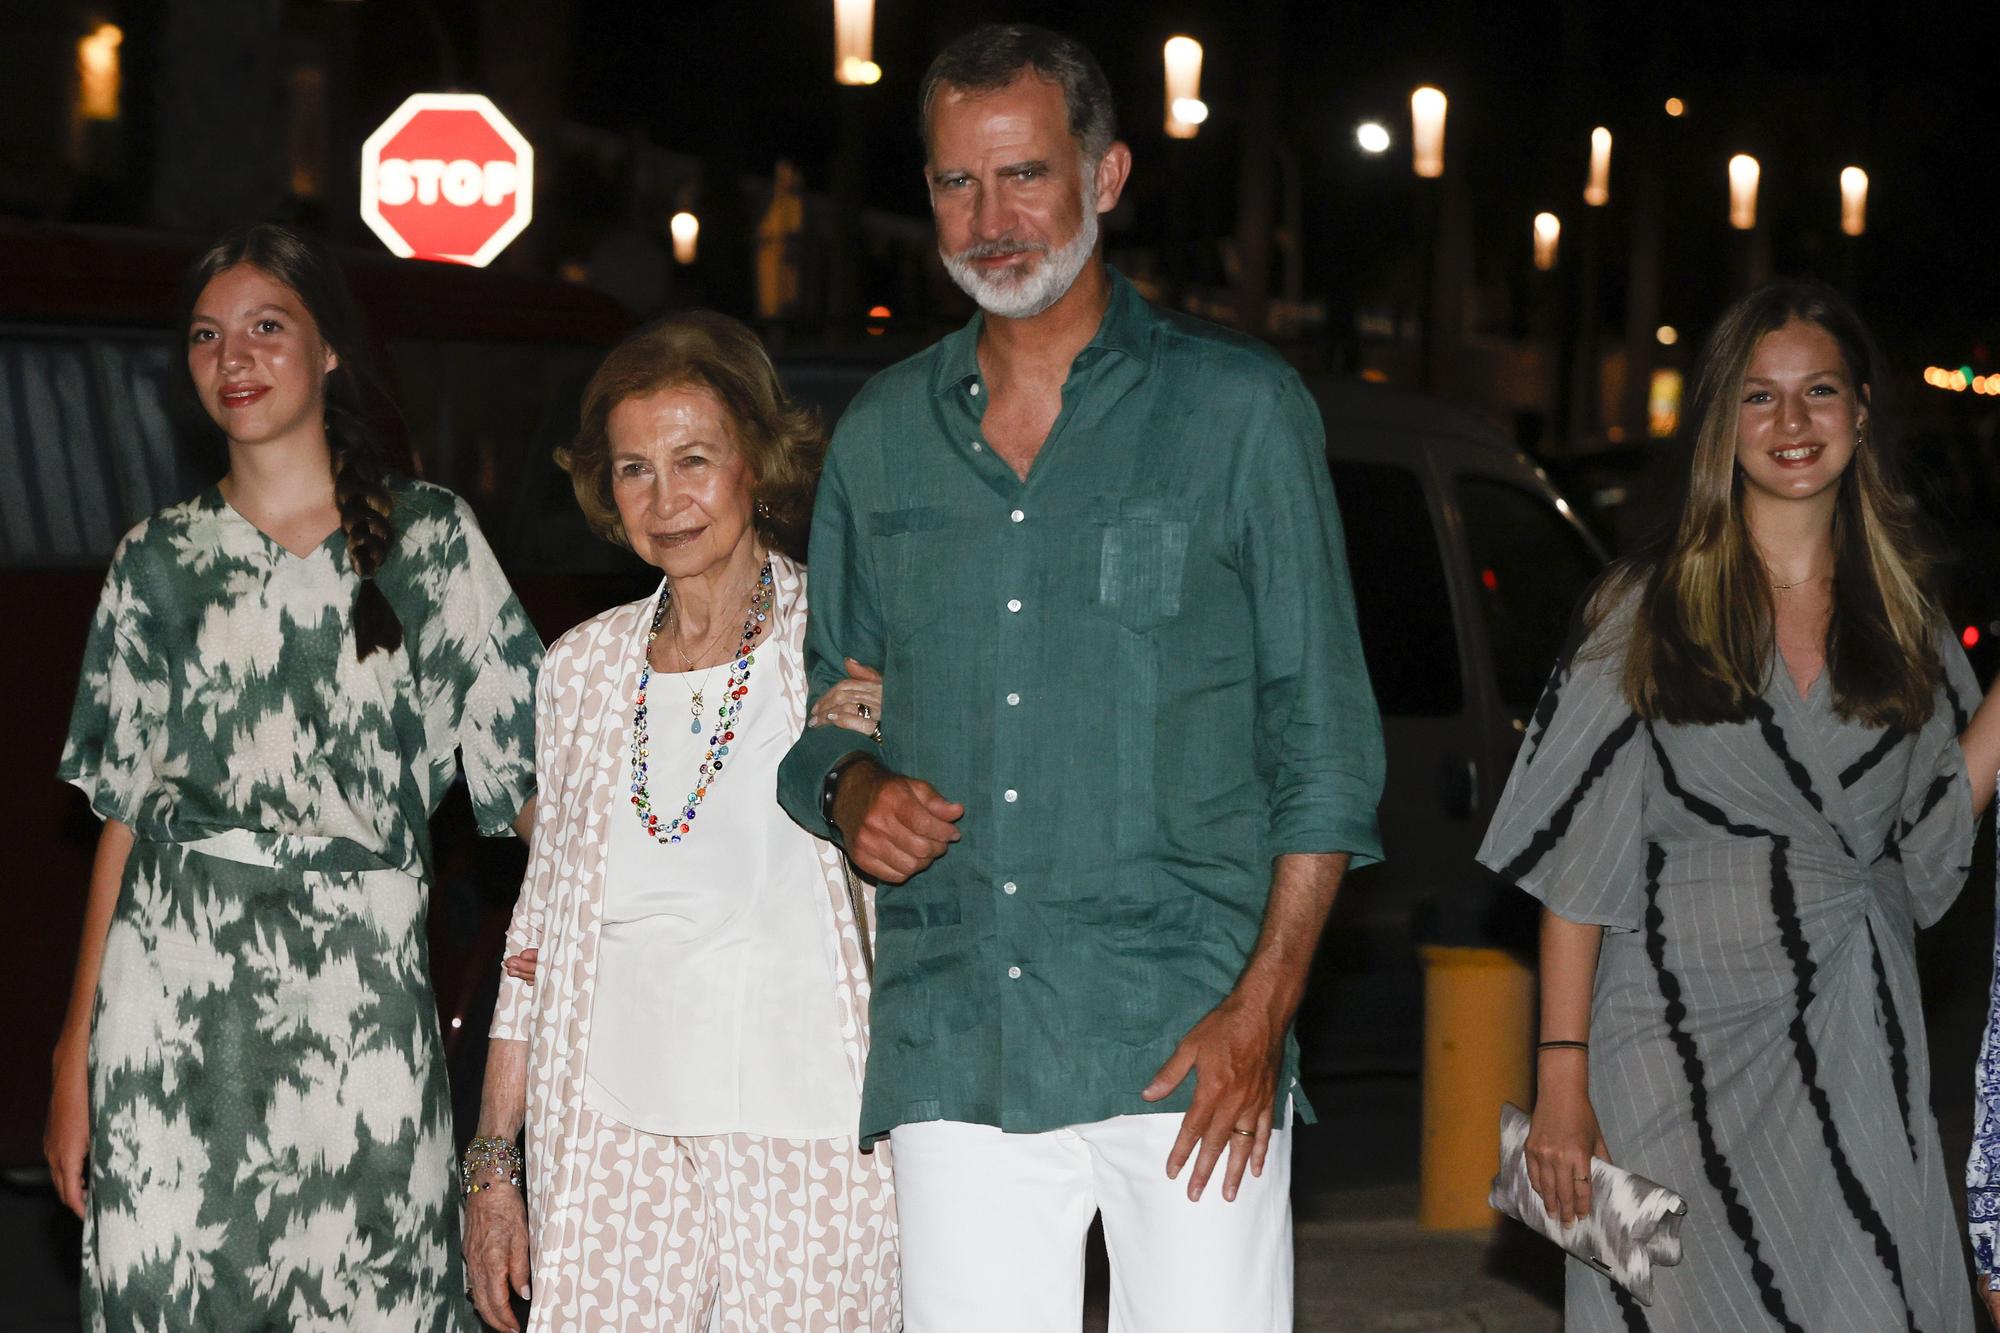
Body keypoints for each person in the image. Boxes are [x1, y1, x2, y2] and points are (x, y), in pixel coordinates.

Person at [774, 23, 1384, 1333]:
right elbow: (835, 709)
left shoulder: (1239, 413)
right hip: (961, 1035)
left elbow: (1324, 743)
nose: (990, 220)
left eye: (1026, 175)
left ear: (1105, 178)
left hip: (1189, 1035)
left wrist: (1264, 1010)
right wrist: (853, 786)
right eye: (955, 183)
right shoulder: (883, 438)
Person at [44, 223, 541, 1330]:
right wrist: (76, 1043)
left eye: (268, 328)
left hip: (360, 1006)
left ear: (327, 353)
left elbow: (537, 790)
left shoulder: (431, 541)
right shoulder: (155, 560)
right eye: (208, 337)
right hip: (168, 1006)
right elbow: (120, 816)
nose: (235, 358)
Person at [1482, 278, 2000, 1331]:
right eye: (1758, 399)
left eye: (1815, 392)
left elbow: (1930, 827)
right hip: (1668, 1052)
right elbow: (1578, 862)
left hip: (1855, 1042)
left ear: (1859, 411)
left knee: (1875, 1295)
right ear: (1721, 424)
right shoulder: (1645, 604)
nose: (1790, 423)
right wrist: (1561, 1082)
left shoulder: (1902, 616)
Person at [460, 312, 899, 1332]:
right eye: (633, 469)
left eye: (693, 459)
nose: (666, 500)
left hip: (811, 1135)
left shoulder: (837, 643)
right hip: (610, 1136)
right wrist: (493, 1163)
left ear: (756, 460)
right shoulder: (580, 669)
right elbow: (538, 925)